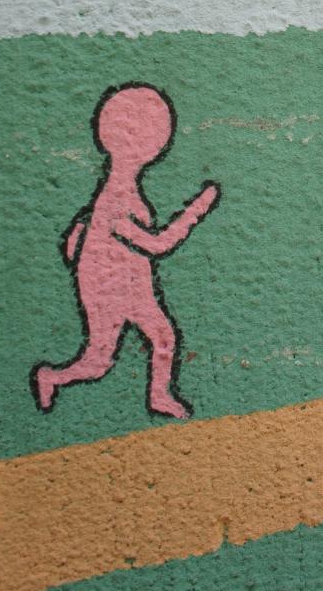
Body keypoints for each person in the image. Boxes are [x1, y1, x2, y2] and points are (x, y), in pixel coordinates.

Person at [30, 84, 220, 418]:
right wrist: (196, 210)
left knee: (162, 337)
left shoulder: (119, 189)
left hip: (132, 281)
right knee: (98, 361)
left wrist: (78, 239)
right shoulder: (117, 198)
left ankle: (159, 396)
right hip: (109, 285)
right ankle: (50, 377)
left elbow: (84, 231)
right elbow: (157, 245)